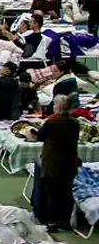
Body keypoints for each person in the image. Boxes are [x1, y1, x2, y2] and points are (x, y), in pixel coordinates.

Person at [38, 95, 82, 231]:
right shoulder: (75, 123)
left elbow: (40, 137)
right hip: (69, 163)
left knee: (52, 194)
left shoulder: (51, 123)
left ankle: (52, 222)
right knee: (66, 193)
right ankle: (65, 221)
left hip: (53, 164)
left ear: (57, 107)